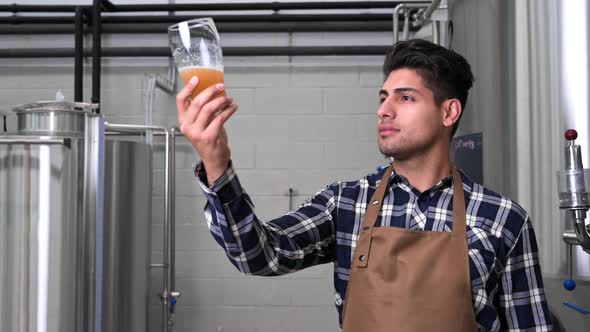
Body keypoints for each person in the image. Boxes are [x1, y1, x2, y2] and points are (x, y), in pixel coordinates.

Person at [176, 39, 553, 331]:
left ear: (448, 112)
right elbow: (257, 255)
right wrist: (216, 161)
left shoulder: (503, 220)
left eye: (405, 98)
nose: (384, 110)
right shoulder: (346, 203)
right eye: (383, 97)